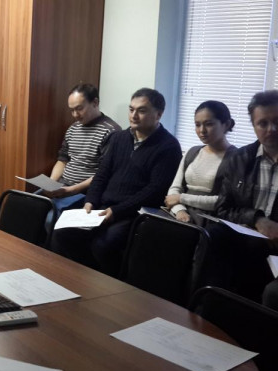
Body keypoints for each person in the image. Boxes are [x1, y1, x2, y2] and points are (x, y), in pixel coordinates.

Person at [50, 88, 182, 276]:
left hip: (132, 212)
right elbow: (102, 174)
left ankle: (102, 285)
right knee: (61, 232)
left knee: (103, 245)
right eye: (131, 109)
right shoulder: (120, 138)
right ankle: (77, 278)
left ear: (159, 114)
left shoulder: (168, 146)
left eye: (141, 111)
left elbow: (155, 190)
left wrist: (117, 211)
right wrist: (90, 201)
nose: (133, 116)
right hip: (102, 205)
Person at [203, 90, 278, 302]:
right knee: (213, 237)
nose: (271, 129)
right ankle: (205, 310)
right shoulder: (239, 158)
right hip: (248, 239)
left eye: (277, 121)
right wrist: (257, 219)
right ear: (254, 126)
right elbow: (223, 208)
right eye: (263, 123)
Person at [40, 83, 121, 216]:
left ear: (95, 103)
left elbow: (104, 173)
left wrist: (72, 190)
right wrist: (51, 183)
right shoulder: (73, 128)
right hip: (62, 186)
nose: (75, 114)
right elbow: (63, 160)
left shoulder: (111, 131)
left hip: (84, 192)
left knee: (50, 217)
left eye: (79, 109)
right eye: (71, 110)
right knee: (27, 203)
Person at [164, 101, 236, 225]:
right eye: (197, 125)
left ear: (226, 124)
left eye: (209, 124)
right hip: (180, 217)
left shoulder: (236, 158)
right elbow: (175, 189)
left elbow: (223, 201)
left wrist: (181, 198)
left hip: (211, 222)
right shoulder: (192, 152)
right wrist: (180, 210)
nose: (202, 130)